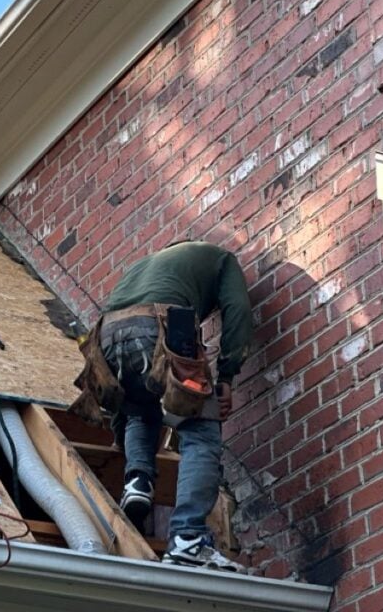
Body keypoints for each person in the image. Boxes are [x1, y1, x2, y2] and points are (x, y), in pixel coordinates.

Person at [100, 240, 252, 571]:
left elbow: (125, 408)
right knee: (200, 432)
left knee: (141, 406)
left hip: (107, 335)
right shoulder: (222, 259)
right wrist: (226, 375)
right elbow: (238, 309)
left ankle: (137, 482)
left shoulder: (147, 265)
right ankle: (189, 538)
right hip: (161, 325)